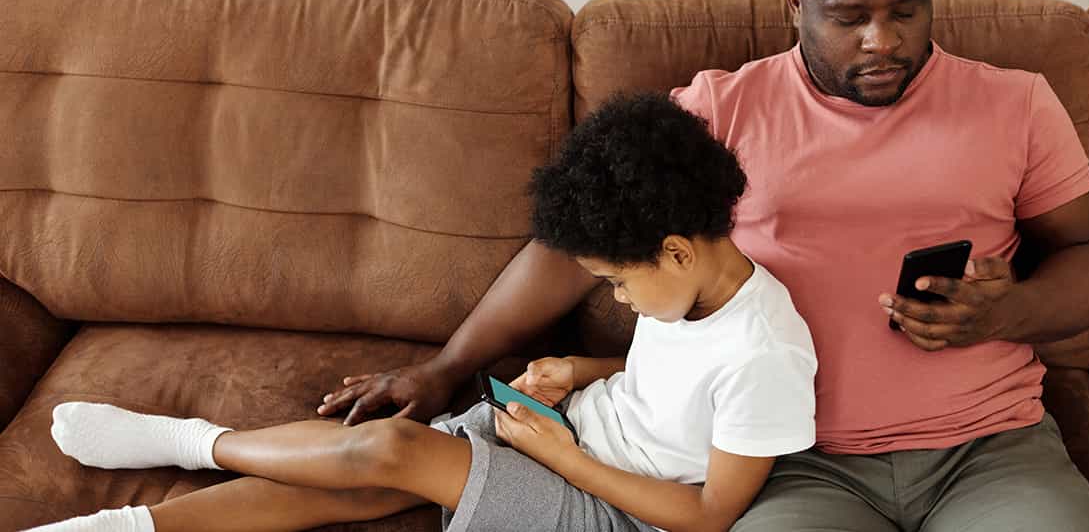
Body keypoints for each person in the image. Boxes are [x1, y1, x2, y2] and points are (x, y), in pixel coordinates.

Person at [318, 0, 1089, 530]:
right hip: (790, 464)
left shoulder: (1014, 102)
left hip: (989, 449)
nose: (883, 40)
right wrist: (448, 365)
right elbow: (577, 249)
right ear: (793, 3)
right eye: (850, 17)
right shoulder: (721, 108)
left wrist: (1009, 310)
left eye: (907, 11)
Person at [32, 94, 818, 532]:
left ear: (677, 251)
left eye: (615, 282)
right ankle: (134, 527)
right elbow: (680, 381)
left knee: (388, 455)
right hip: (573, 434)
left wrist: (563, 457)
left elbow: (712, 514)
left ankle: (192, 444)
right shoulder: (687, 287)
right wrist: (584, 367)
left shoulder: (768, 353)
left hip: (612, 506)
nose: (614, 299)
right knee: (363, 478)